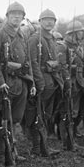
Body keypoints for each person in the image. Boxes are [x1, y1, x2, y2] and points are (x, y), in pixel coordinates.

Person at [0, 1, 35, 163]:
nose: (16, 17)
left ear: (23, 17)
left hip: (20, 82)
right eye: (13, 14)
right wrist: (0, 82)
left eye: (19, 14)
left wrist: (32, 83)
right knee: (3, 118)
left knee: (14, 118)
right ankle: (3, 153)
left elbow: (27, 60)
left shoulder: (22, 35)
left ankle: (13, 150)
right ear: (7, 16)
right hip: (6, 83)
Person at [26, 9, 62, 155]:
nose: (49, 22)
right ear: (40, 22)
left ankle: (43, 145)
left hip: (52, 80)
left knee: (46, 114)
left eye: (51, 20)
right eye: (45, 19)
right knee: (37, 114)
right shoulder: (35, 39)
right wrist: (38, 81)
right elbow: (32, 61)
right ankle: (37, 147)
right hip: (41, 80)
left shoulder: (52, 38)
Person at [63, 20, 84, 146]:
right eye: (80, 32)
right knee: (72, 110)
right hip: (72, 81)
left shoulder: (79, 46)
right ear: (74, 33)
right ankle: (68, 139)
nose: (82, 34)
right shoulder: (64, 46)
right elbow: (63, 66)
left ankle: (76, 136)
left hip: (82, 81)